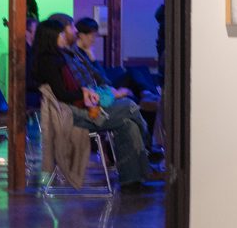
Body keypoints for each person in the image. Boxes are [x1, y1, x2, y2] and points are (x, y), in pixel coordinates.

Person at [34, 15, 159, 189]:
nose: (74, 32)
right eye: (68, 29)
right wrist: (87, 92)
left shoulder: (64, 55)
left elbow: (96, 78)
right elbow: (63, 93)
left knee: (128, 123)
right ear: (54, 35)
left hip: (85, 104)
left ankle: (132, 179)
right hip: (77, 113)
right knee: (130, 106)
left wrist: (91, 86)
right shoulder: (52, 60)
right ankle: (150, 152)